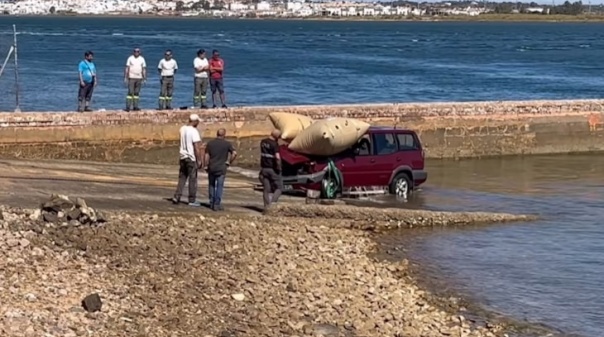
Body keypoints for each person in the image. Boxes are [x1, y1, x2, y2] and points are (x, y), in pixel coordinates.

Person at [172, 114, 204, 207]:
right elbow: (196, 147)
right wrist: (199, 160)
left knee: (182, 178)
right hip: (191, 158)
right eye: (197, 121)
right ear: (194, 121)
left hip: (183, 157)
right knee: (192, 179)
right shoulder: (194, 131)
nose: (198, 123)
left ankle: (177, 196)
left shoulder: (182, 129)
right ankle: (192, 199)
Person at [204, 128, 237, 211]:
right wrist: (229, 162)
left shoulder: (210, 143)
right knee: (219, 186)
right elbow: (234, 153)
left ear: (217, 134)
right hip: (222, 168)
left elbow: (207, 155)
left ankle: (211, 202)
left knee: (211, 185)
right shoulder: (227, 144)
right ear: (224, 135)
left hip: (212, 167)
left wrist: (205, 165)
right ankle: (217, 204)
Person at [259, 129, 283, 212]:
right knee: (279, 188)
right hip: (272, 169)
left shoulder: (263, 142)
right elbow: (277, 157)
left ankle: (266, 207)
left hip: (264, 168)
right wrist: (279, 167)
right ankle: (272, 206)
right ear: (277, 136)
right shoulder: (274, 145)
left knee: (266, 188)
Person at [124, 47, 146, 111]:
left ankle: (135, 106)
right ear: (133, 52)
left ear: (139, 52)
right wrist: (125, 77)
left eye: (138, 51)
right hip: (131, 77)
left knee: (136, 93)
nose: (136, 52)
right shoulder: (130, 58)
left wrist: (144, 78)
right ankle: (128, 107)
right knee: (130, 92)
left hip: (139, 78)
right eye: (135, 51)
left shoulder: (142, 59)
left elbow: (144, 69)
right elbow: (127, 68)